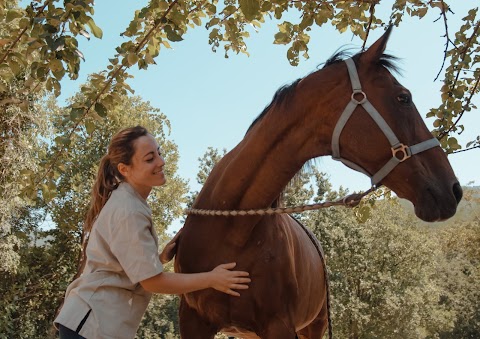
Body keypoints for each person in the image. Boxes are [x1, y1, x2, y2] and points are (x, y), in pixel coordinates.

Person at [54, 126, 251, 339]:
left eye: (159, 153)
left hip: (93, 324)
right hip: (91, 326)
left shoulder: (129, 201)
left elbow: (124, 270)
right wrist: (213, 279)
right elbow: (153, 282)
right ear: (124, 169)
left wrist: (160, 259)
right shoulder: (128, 210)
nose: (161, 162)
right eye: (150, 159)